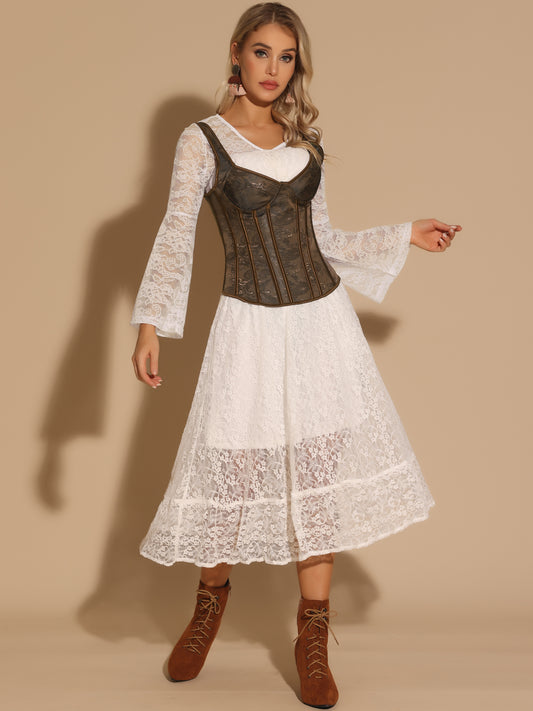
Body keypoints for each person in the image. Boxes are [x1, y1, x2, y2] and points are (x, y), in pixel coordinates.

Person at [130, 3, 461, 708]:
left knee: (317, 473)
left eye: (286, 57)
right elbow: (175, 232)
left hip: (320, 327)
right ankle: (208, 607)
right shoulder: (202, 141)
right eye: (262, 52)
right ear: (235, 53)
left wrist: (404, 233)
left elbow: (323, 242)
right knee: (232, 471)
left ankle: (311, 637)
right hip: (248, 326)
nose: (274, 69)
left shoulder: (306, 143)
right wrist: (152, 323)